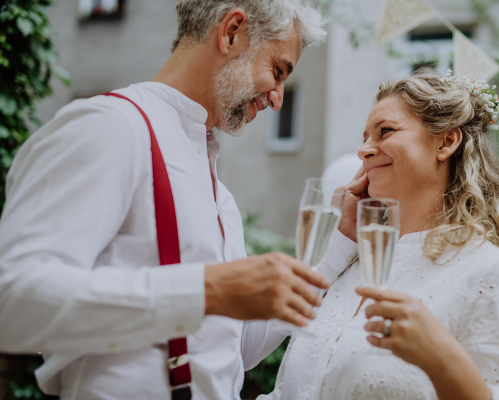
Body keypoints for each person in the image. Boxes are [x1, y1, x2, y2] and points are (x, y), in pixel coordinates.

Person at [0, 1, 338, 399]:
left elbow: (234, 349)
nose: (278, 97)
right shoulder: (111, 127)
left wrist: (340, 243)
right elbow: (12, 300)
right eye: (278, 71)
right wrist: (206, 289)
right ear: (231, 31)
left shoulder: (219, 195)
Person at [260, 69, 499, 400]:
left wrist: (443, 360)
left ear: (446, 141)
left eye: (385, 131)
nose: (365, 150)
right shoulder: (351, 266)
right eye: (365, 138)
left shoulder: (493, 273)